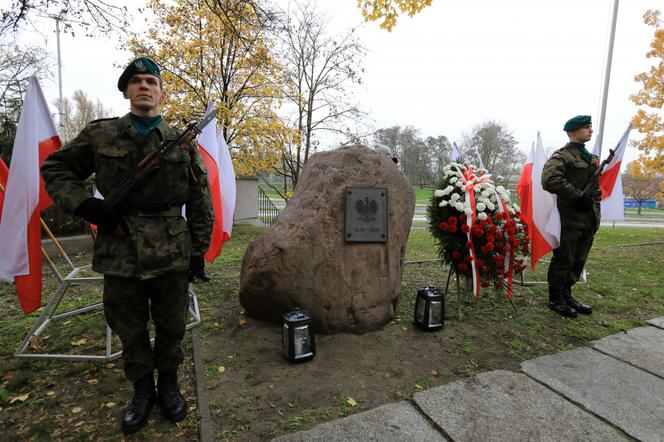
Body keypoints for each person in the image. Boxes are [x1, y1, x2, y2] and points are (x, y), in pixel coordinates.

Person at [41, 57, 214, 434]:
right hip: (119, 250)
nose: (144, 86)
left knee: (171, 326)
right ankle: (141, 391)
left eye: (151, 81)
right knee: (129, 327)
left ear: (161, 93)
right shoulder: (100, 134)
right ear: (126, 91)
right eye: (135, 81)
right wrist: (86, 205)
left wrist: (199, 250)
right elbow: (55, 168)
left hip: (171, 251)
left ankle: (168, 385)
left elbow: (200, 198)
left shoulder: (181, 142)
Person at [541, 115, 599, 318]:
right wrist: (578, 196)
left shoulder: (591, 157)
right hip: (569, 218)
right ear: (572, 132)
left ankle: (567, 294)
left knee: (578, 261)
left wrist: (593, 196)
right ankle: (555, 297)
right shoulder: (563, 156)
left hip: (588, 218)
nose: (590, 130)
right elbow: (549, 179)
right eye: (586, 127)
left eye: (591, 127)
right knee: (563, 259)